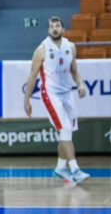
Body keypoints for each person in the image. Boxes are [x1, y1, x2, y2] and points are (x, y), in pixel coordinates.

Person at [24, 16, 90, 184]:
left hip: (67, 93)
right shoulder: (42, 49)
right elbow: (32, 76)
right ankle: (75, 169)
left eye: (57, 26)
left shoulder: (71, 47)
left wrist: (80, 84)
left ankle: (60, 168)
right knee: (66, 128)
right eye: (52, 26)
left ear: (63, 29)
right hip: (50, 94)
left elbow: (74, 71)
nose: (54, 29)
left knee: (66, 133)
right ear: (48, 30)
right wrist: (27, 101)